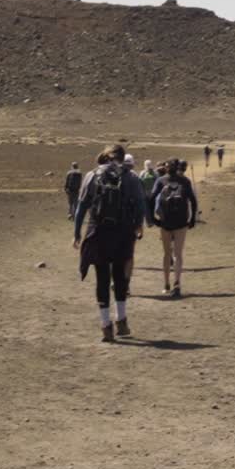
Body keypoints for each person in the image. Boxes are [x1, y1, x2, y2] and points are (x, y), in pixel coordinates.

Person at [73, 145, 147, 342]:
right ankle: (121, 322)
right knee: (120, 277)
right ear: (123, 158)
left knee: (102, 278)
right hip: (123, 232)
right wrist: (139, 225)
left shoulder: (92, 175)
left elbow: (81, 206)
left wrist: (77, 233)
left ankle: (106, 326)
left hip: (97, 232)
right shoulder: (130, 177)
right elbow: (140, 204)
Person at [150, 158, 198, 298]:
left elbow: (151, 198)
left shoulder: (161, 181)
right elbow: (193, 201)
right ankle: (177, 283)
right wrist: (193, 218)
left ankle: (166, 284)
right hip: (181, 222)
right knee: (178, 254)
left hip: (165, 222)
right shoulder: (185, 181)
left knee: (167, 254)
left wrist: (153, 219)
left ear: (166, 168)